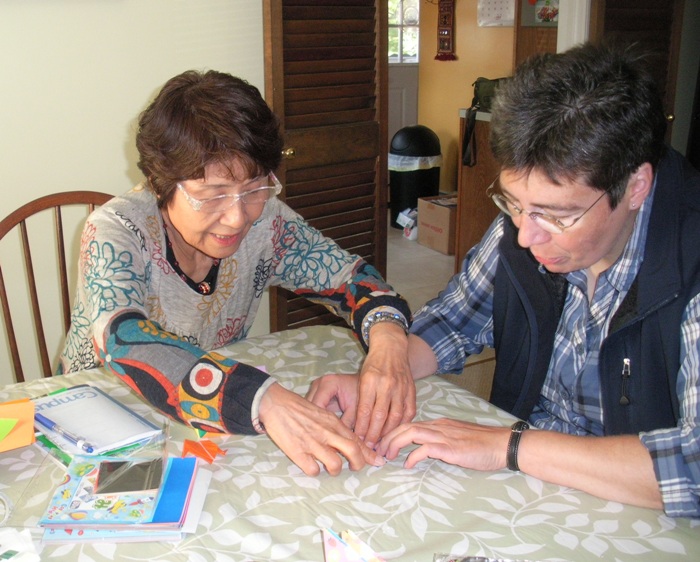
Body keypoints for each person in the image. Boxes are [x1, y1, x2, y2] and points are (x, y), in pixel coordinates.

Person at [308, 42, 700, 517]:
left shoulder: (688, 261)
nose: (527, 234)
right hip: (534, 492)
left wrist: (509, 446)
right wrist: (388, 374)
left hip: (640, 514)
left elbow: (693, 470)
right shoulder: (524, 226)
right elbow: (454, 321)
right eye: (514, 203)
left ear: (635, 186)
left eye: (557, 216)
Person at [58, 69, 415, 476]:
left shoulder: (266, 223)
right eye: (213, 195)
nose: (236, 217)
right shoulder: (116, 230)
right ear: (161, 182)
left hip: (208, 416)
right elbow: (126, 340)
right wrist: (263, 398)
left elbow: (352, 280)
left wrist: (388, 341)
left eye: (256, 187)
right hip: (100, 412)